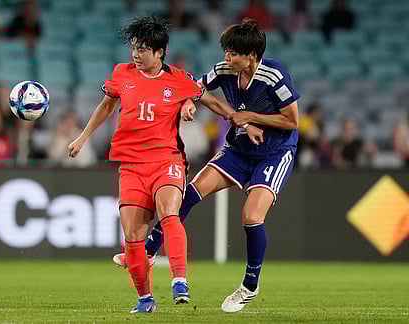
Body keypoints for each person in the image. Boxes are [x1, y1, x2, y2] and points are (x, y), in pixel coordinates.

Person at [67, 16, 254, 314]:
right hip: (130, 165)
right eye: (133, 48)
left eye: (142, 50)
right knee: (132, 236)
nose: (136, 55)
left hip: (166, 160)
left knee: (169, 210)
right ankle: (145, 300)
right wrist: (82, 139)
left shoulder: (179, 79)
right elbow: (105, 108)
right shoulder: (121, 74)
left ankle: (179, 280)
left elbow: (212, 103)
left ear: (159, 52)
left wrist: (241, 120)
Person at [113, 18, 300, 313]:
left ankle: (250, 285)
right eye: (226, 51)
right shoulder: (224, 70)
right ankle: (148, 251)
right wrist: (188, 103)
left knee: (251, 215)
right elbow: (192, 88)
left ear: (251, 56)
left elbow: (292, 120)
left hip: (274, 153)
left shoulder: (274, 76)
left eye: (233, 53)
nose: (226, 58)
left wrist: (249, 116)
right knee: (189, 192)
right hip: (239, 149)